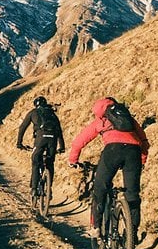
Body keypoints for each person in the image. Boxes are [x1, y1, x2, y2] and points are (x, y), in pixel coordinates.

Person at [67, 97, 150, 237]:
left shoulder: (102, 120)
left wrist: (73, 160)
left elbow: (80, 141)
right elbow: (144, 141)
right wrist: (142, 160)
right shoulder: (129, 118)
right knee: (132, 193)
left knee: (100, 187)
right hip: (133, 152)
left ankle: (96, 227)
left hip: (112, 151)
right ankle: (133, 232)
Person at [16, 95, 67, 197]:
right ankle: (49, 189)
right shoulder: (52, 114)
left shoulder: (33, 112)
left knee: (35, 162)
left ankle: (34, 189)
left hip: (40, 139)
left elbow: (22, 128)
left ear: (36, 105)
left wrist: (19, 143)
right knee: (50, 163)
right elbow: (59, 131)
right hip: (52, 139)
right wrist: (62, 147)